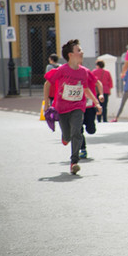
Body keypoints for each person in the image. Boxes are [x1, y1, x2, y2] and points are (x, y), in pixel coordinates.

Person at [44, 39, 101, 175]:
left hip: (78, 106)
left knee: (77, 131)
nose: (82, 52)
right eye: (79, 50)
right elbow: (47, 84)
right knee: (68, 136)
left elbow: (85, 89)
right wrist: (46, 102)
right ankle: (65, 137)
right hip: (62, 107)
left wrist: (96, 103)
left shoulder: (83, 72)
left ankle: (74, 162)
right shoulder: (62, 70)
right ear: (70, 54)